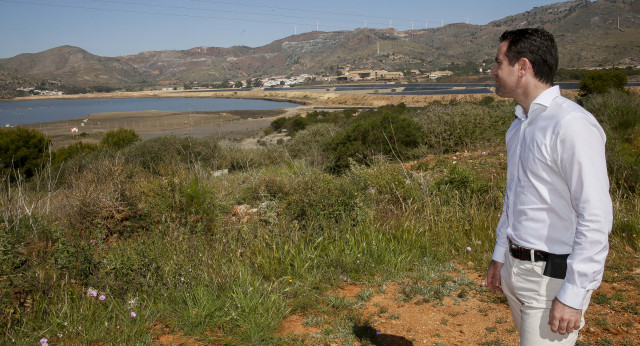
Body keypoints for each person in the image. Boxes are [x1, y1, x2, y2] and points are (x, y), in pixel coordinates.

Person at [485, 28, 613, 345]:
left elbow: (595, 214)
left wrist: (574, 293)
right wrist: (501, 255)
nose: (493, 71)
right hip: (517, 271)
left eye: (499, 62)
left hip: (551, 279)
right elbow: (514, 198)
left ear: (523, 67)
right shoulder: (520, 126)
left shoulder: (570, 124)